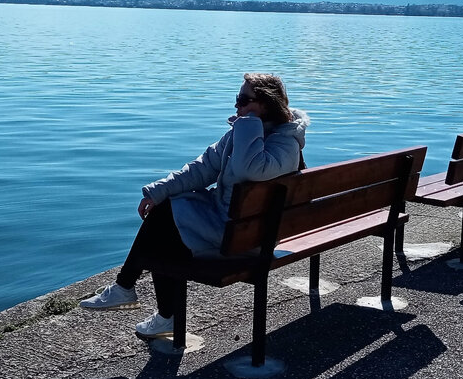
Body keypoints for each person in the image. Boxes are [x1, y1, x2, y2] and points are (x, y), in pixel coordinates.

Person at [79, 73, 309, 339]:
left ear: (266, 104)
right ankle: (134, 293)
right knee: (164, 214)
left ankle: (139, 297)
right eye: (237, 98)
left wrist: (248, 126)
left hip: (247, 240)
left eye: (244, 100)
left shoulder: (283, 143)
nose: (237, 106)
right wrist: (158, 191)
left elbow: (250, 169)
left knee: (163, 233)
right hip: (236, 227)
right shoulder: (244, 134)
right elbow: (202, 168)